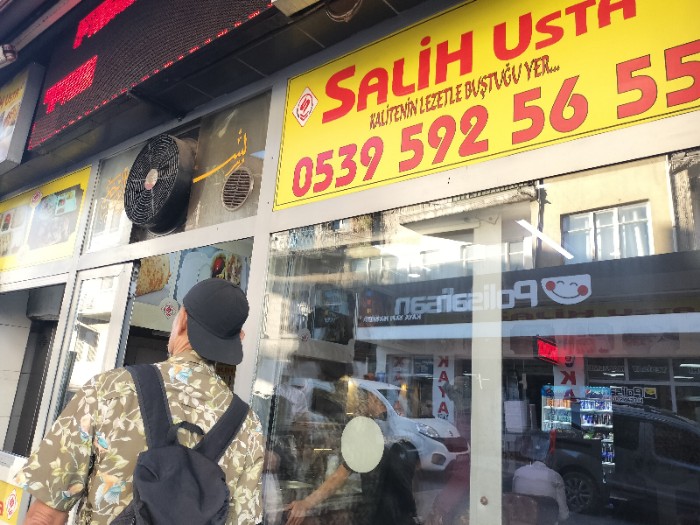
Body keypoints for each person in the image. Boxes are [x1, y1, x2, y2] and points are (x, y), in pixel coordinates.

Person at [15, 278, 265, 525]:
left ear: (183, 320)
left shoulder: (108, 389)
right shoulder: (247, 426)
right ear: (238, 338)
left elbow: (44, 517)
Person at [285, 386, 417, 525]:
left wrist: (306, 503)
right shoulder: (402, 429)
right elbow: (418, 472)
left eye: (366, 398)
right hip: (404, 514)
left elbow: (340, 475)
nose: (362, 403)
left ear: (377, 401)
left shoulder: (369, 430)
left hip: (379, 514)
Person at [512, 432, 569, 525]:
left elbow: (514, 505)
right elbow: (563, 515)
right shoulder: (555, 477)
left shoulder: (518, 473)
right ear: (549, 456)